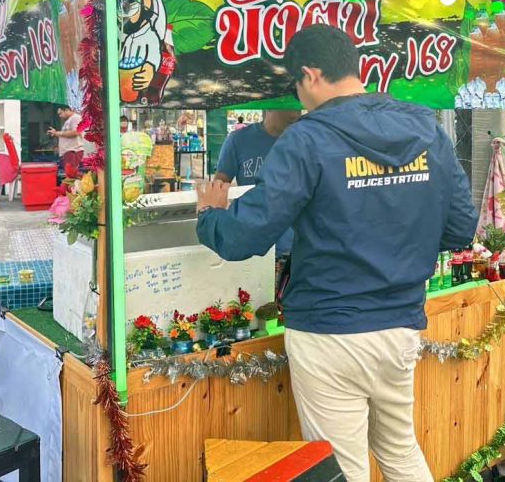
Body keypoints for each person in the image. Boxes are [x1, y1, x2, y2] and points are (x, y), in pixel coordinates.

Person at [196, 25, 477, 482]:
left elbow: (245, 235)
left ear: (310, 75)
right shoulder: (426, 128)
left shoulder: (307, 139)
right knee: (400, 450)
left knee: (342, 469)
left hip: (329, 330)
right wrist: (400, 249)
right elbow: (461, 227)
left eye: (296, 84)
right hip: (401, 323)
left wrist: (210, 214)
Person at [215, 109, 300, 256]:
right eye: (288, 108)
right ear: (269, 107)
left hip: (295, 246)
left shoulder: (304, 141)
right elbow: (219, 186)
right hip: (253, 240)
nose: (295, 114)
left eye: (298, 108)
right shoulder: (238, 140)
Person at [48, 104, 84, 170]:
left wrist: (58, 133)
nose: (60, 116)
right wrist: (55, 133)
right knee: (70, 174)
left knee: (72, 173)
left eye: (60, 113)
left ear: (67, 110)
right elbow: (66, 135)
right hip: (68, 152)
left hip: (73, 151)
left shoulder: (75, 118)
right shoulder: (68, 120)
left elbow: (76, 132)